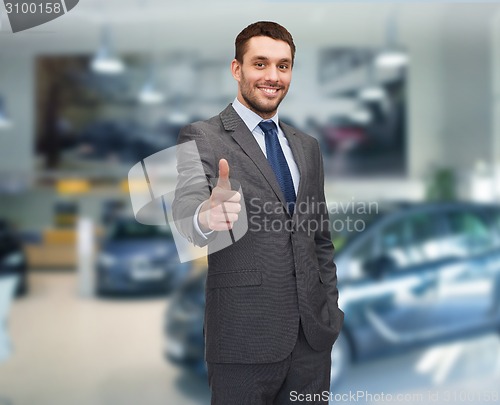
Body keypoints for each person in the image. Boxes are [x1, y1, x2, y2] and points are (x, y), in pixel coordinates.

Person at [172, 21, 343, 405]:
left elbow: (320, 239)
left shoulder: (308, 147)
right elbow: (185, 209)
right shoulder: (200, 135)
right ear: (237, 69)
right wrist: (205, 216)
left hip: (312, 342)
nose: (273, 76)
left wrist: (329, 310)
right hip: (242, 341)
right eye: (260, 64)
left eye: (283, 66)